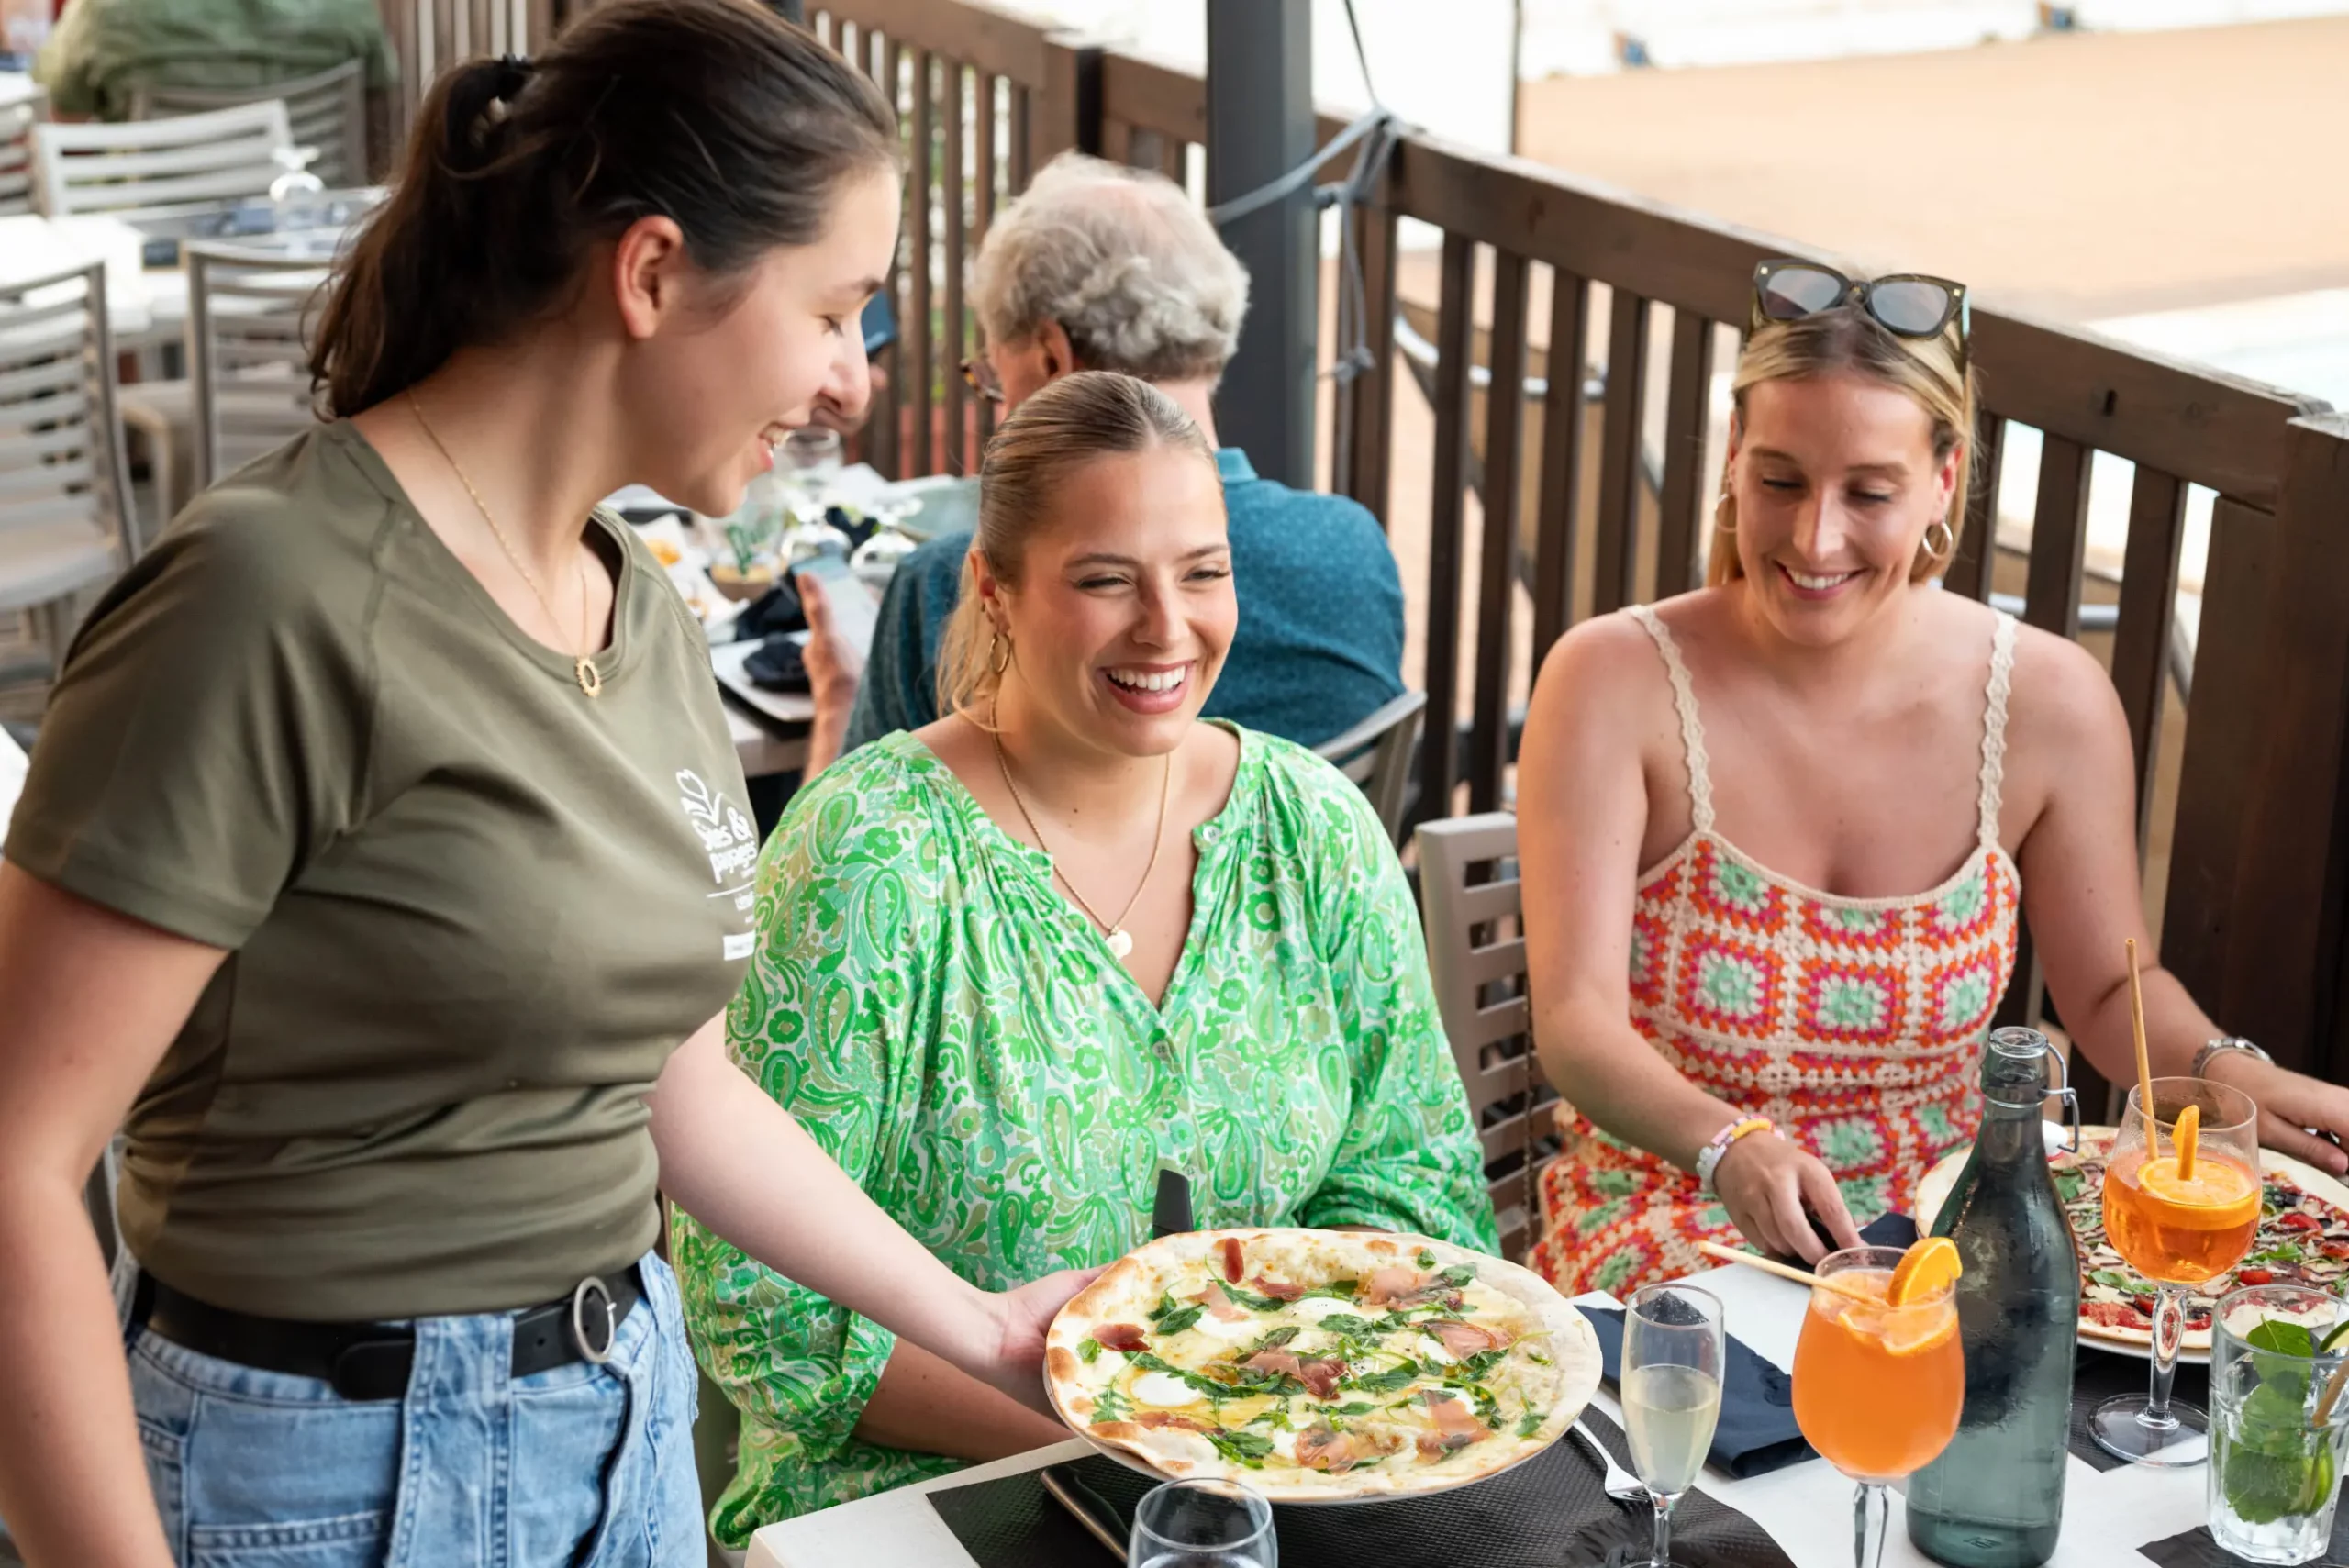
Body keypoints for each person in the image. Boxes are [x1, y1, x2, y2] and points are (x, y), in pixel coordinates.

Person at [0, 7, 1091, 1564]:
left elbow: (675, 1076)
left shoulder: (628, 598)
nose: (853, 381)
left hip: (619, 1422)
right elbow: (18, 1163)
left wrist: (981, 1324)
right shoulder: (268, 596)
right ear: (650, 275)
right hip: (322, 1467)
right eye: (838, 310)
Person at [674, 371, 1495, 1539]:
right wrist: (1157, 1443)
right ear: (993, 590)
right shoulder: (872, 853)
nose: (1166, 627)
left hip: (1281, 1486)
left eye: (1202, 572)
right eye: (1105, 579)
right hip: (924, 1499)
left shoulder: (1311, 828)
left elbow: (1413, 1192)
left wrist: (1270, 1431)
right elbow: (761, 1308)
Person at [1515, 261, 2349, 1300]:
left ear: (1945, 479)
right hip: (1677, 1209)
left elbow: (2105, 988)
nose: (1816, 537)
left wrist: (2220, 1068)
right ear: (1731, 455)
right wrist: (1726, 1143)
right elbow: (1577, 1019)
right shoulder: (1610, 677)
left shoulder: (2048, 699)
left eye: (1868, 492)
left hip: (1958, 1216)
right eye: (1779, 480)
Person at [802, 152, 1408, 779]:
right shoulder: (1352, 546)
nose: (1164, 626)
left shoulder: (946, 584)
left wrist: (840, 700)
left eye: (993, 380)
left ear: (1051, 355)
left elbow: (843, 847)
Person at [34, 0, 395, 122]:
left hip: (150, 239)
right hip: (310, 230)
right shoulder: (349, 8)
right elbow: (385, 112)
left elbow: (60, 120)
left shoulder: (106, 12)